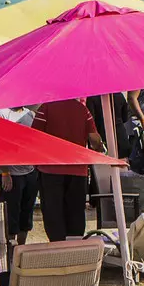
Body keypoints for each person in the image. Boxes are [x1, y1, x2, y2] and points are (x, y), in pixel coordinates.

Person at [32, 97, 102, 241]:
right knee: (76, 212)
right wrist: (100, 147)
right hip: (78, 170)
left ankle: (57, 247)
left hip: (50, 170)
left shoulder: (45, 108)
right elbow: (95, 140)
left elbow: (33, 137)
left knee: (53, 213)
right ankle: (74, 248)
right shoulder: (83, 110)